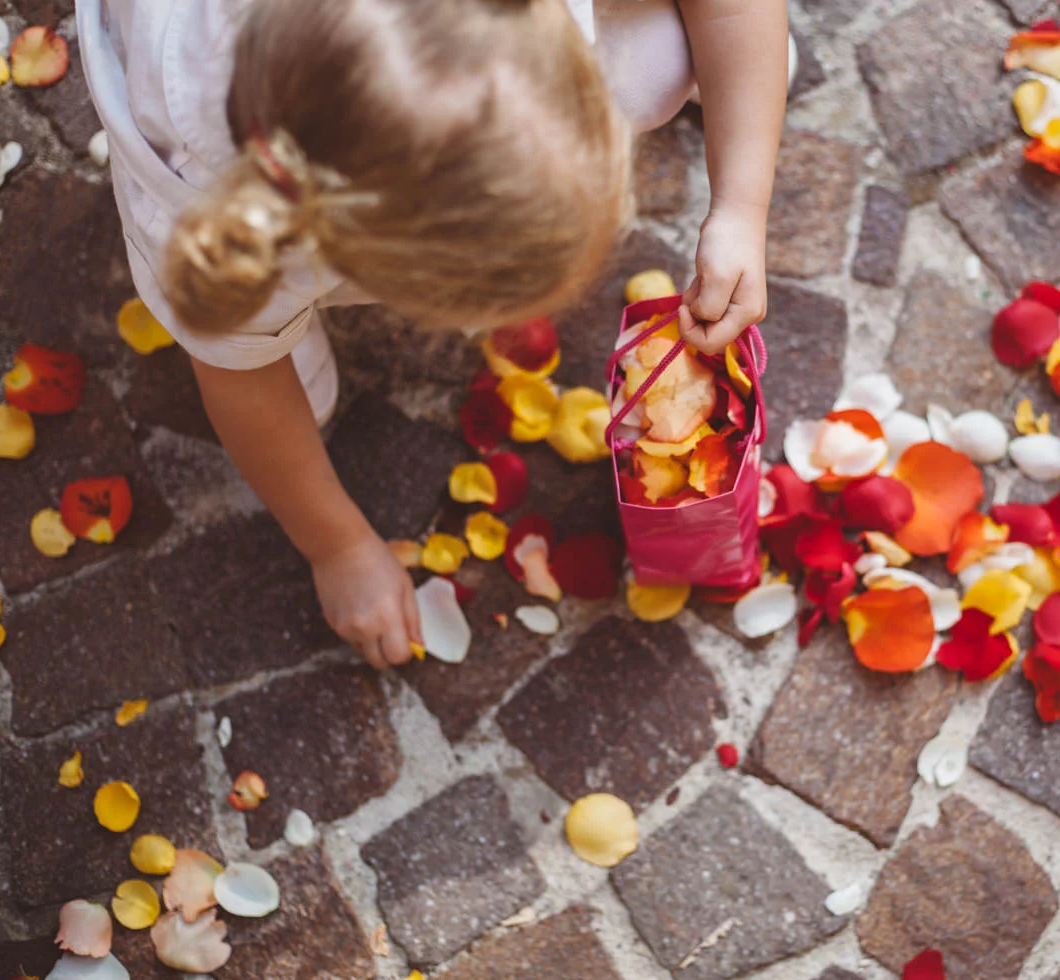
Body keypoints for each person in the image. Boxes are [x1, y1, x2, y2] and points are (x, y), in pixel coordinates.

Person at [79, 0, 788, 669]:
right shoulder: (213, 197)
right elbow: (242, 385)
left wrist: (740, 201)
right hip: (225, 144)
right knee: (269, 368)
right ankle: (276, 328)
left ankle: (715, 72)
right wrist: (338, 546)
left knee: (698, 57)